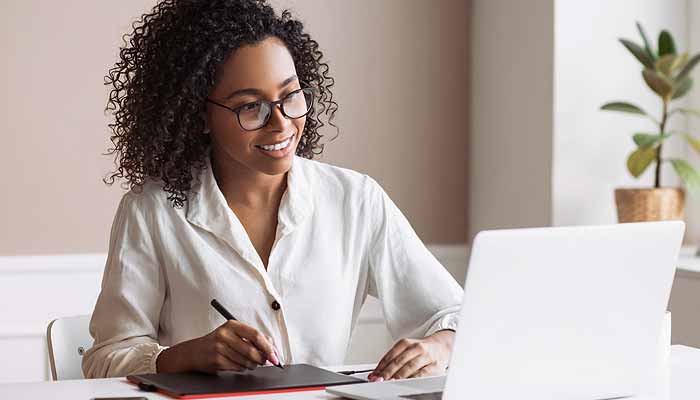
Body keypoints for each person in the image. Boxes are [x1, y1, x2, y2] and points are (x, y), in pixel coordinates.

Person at [83, 0, 463, 383]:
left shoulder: (356, 200)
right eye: (251, 106)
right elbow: (105, 359)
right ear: (198, 115)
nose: (281, 124)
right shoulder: (153, 212)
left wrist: (439, 346)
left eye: (291, 96)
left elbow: (456, 313)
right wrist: (186, 355)